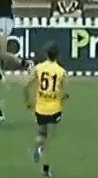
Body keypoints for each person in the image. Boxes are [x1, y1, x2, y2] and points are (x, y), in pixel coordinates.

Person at [24, 43, 69, 177]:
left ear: (46, 54)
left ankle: (38, 148)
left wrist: (28, 101)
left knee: (41, 134)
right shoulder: (61, 71)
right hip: (55, 108)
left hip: (40, 107)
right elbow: (64, 92)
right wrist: (62, 98)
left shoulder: (38, 68)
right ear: (57, 56)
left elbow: (26, 84)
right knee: (49, 138)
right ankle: (45, 167)